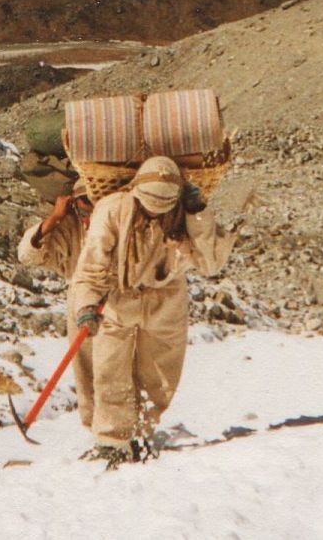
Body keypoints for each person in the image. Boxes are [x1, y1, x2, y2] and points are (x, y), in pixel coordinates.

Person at [70, 156, 233, 465]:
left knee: (160, 372)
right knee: (110, 369)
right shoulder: (113, 208)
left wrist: (198, 215)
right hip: (120, 296)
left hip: (167, 298)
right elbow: (92, 264)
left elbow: (211, 263)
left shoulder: (188, 212)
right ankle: (111, 440)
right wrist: (87, 304)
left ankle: (142, 433)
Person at [17, 181, 95, 427]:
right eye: (83, 204)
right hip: (79, 301)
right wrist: (54, 218)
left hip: (116, 303)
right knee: (85, 369)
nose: (89, 211)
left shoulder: (117, 219)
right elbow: (28, 255)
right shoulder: (69, 227)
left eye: (94, 204)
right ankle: (96, 430)